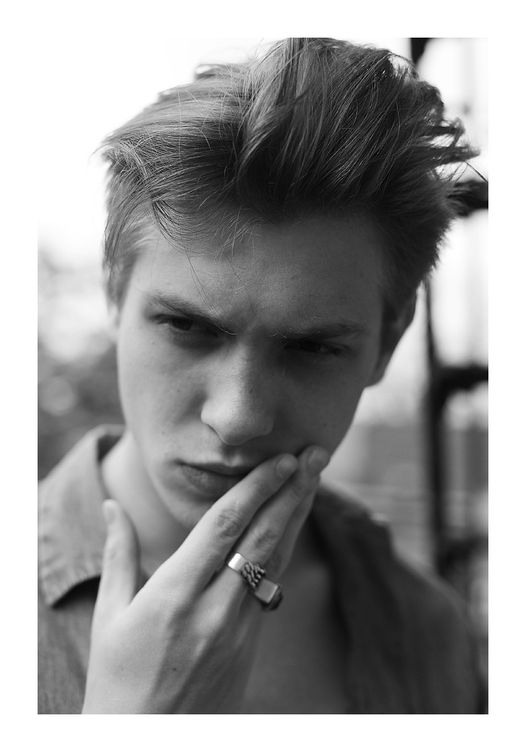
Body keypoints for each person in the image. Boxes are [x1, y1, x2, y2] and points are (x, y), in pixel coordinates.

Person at [38, 37, 486, 714]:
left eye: (312, 348)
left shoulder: (431, 631)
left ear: (387, 344)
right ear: (114, 294)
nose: (238, 417)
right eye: (186, 327)